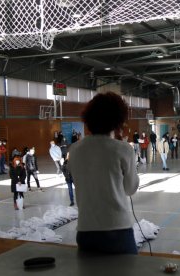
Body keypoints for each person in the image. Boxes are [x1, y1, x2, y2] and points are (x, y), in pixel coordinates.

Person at [69, 92, 139, 254]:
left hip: (85, 230)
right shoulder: (123, 149)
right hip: (118, 230)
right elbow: (130, 189)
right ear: (118, 121)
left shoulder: (75, 149)